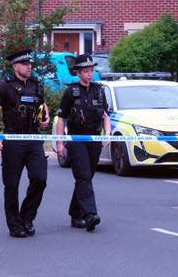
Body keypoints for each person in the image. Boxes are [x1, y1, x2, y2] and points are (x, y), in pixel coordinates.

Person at [0, 49, 50, 238]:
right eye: (25, 64)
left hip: (33, 138)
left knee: (40, 179)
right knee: (12, 185)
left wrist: (45, 118)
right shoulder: (4, 87)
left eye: (30, 64)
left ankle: (27, 217)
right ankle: (14, 225)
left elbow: (42, 105)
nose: (29, 67)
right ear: (15, 66)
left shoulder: (36, 84)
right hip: (13, 140)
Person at [56, 54, 111, 232]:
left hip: (94, 138)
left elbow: (105, 116)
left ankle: (75, 213)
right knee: (83, 176)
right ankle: (89, 215)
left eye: (91, 71)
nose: (90, 74)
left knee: (87, 177)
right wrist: (60, 143)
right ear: (78, 73)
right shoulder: (71, 92)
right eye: (86, 71)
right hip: (76, 138)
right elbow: (61, 119)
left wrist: (107, 133)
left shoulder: (99, 90)